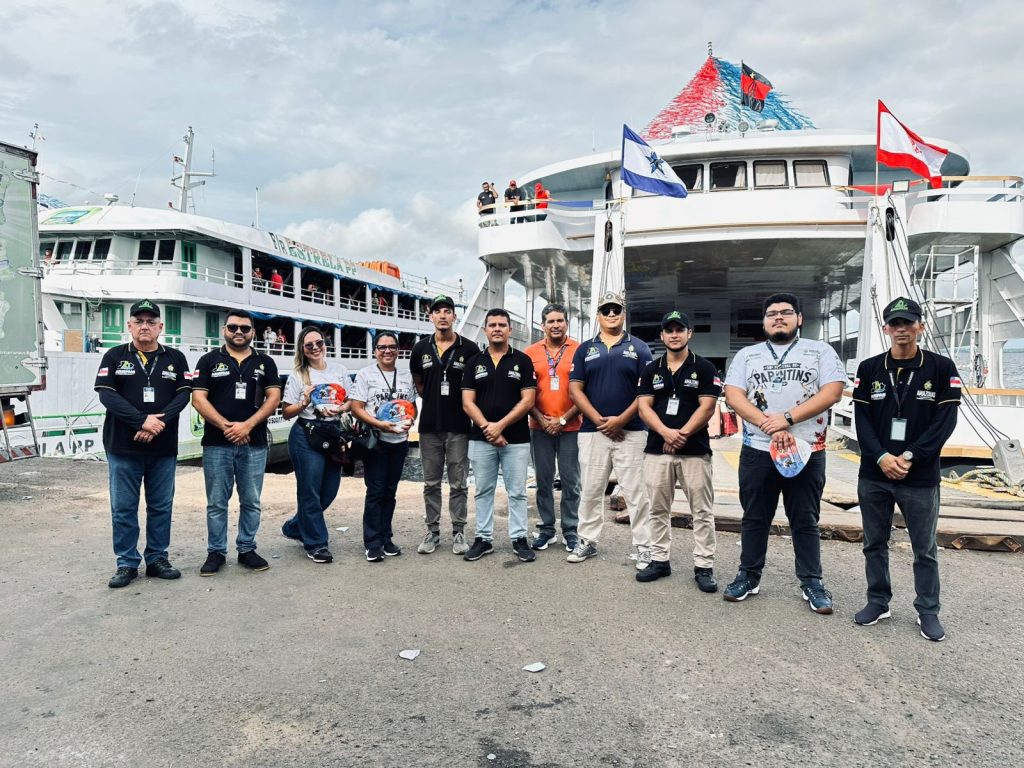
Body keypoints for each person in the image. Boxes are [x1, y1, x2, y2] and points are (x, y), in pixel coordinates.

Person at [723, 292, 846, 613]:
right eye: (772, 313)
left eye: (786, 312)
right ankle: (749, 575)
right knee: (754, 517)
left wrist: (788, 418)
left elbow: (832, 392)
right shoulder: (747, 355)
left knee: (805, 519)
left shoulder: (820, 351)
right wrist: (769, 424)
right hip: (758, 449)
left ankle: (812, 581)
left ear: (799, 319)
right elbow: (734, 395)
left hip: (807, 449)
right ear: (764, 322)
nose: (778, 317)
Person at [851, 297, 961, 641]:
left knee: (924, 548)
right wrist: (882, 456)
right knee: (874, 542)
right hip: (875, 473)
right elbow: (862, 421)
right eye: (895, 323)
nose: (901, 329)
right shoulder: (869, 368)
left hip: (920, 475)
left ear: (920, 327)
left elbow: (945, 422)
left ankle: (927, 610)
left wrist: (911, 455)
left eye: (908, 323)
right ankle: (878, 601)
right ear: (886, 328)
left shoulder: (941, 368)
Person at [94, 299, 191, 588]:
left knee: (161, 506)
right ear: (130, 326)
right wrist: (141, 421)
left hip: (162, 447)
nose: (145, 326)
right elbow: (107, 395)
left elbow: (183, 395)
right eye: (139, 321)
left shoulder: (175, 358)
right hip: (123, 446)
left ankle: (158, 558)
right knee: (123, 507)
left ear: (161, 327)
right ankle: (126, 563)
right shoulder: (114, 356)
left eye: (151, 322)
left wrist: (157, 423)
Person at [566, 290, 654, 569]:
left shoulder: (639, 348)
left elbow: (646, 392)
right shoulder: (585, 349)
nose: (612, 314)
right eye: (606, 310)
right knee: (591, 490)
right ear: (598, 316)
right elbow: (575, 390)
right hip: (593, 432)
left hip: (632, 432)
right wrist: (601, 421)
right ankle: (587, 541)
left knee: (636, 493)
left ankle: (644, 547)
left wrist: (620, 421)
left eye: (616, 310)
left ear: (623, 314)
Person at [191, 310, 282, 576]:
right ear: (224, 330)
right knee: (216, 502)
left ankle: (247, 549)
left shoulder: (266, 362)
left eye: (244, 328)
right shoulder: (208, 360)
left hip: (254, 442)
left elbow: (274, 398)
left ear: (253, 331)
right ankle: (216, 552)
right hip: (216, 443)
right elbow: (198, 399)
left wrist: (247, 426)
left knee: (251, 500)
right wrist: (227, 427)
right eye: (233, 327)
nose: (239, 332)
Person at [637, 311, 721, 589]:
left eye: (679, 329)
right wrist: (665, 433)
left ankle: (704, 566)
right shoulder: (651, 369)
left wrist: (681, 434)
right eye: (669, 330)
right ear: (662, 335)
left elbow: (707, 407)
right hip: (657, 450)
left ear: (689, 334)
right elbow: (644, 407)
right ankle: (659, 560)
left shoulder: (705, 368)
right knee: (657, 509)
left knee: (702, 511)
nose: (674, 335)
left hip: (695, 450)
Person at [461, 309, 538, 562]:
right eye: (492, 325)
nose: (497, 328)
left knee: (517, 492)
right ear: (485, 330)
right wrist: (489, 428)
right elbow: (467, 402)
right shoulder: (474, 362)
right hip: (480, 438)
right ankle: (483, 539)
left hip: (516, 439)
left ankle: (519, 538)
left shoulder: (523, 361)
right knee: (483, 490)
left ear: (509, 330)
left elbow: (528, 401)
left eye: (502, 325)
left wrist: (500, 426)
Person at [409, 294, 480, 555]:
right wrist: (434, 399)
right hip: (429, 426)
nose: (442, 315)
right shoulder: (420, 349)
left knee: (458, 483)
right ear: (431, 317)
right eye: (437, 311)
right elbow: (419, 383)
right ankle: (433, 532)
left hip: (459, 426)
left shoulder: (469, 349)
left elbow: (475, 386)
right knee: (431, 483)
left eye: (447, 311)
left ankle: (459, 531)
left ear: (454, 316)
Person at [280, 326, 350, 564]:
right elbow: (287, 412)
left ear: (325, 343)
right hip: (306, 434)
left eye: (319, 343)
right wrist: (305, 401)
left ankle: (294, 526)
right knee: (309, 490)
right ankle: (316, 544)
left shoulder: (339, 370)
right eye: (309, 345)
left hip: (332, 432)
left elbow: (350, 401)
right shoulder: (299, 375)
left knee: (329, 491)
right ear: (302, 349)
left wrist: (340, 408)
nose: (315, 348)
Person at [349, 332, 417, 562]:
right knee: (375, 491)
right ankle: (372, 542)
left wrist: (410, 420)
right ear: (375, 350)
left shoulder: (406, 376)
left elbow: (411, 406)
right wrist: (380, 424)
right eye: (382, 347)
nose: (387, 351)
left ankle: (386, 539)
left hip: (400, 442)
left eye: (392, 347)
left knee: (390, 492)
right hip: (376, 442)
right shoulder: (365, 374)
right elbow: (356, 407)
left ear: (398, 350)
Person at [524, 302, 582, 552]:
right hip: (539, 428)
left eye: (560, 320)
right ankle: (546, 529)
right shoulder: (530, 353)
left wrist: (563, 420)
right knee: (543, 481)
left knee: (571, 482)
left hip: (572, 427)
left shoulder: (580, 350)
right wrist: (541, 419)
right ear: (543, 325)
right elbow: (525, 393)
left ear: (567, 323)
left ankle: (571, 530)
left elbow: (584, 392)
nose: (556, 325)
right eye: (551, 321)